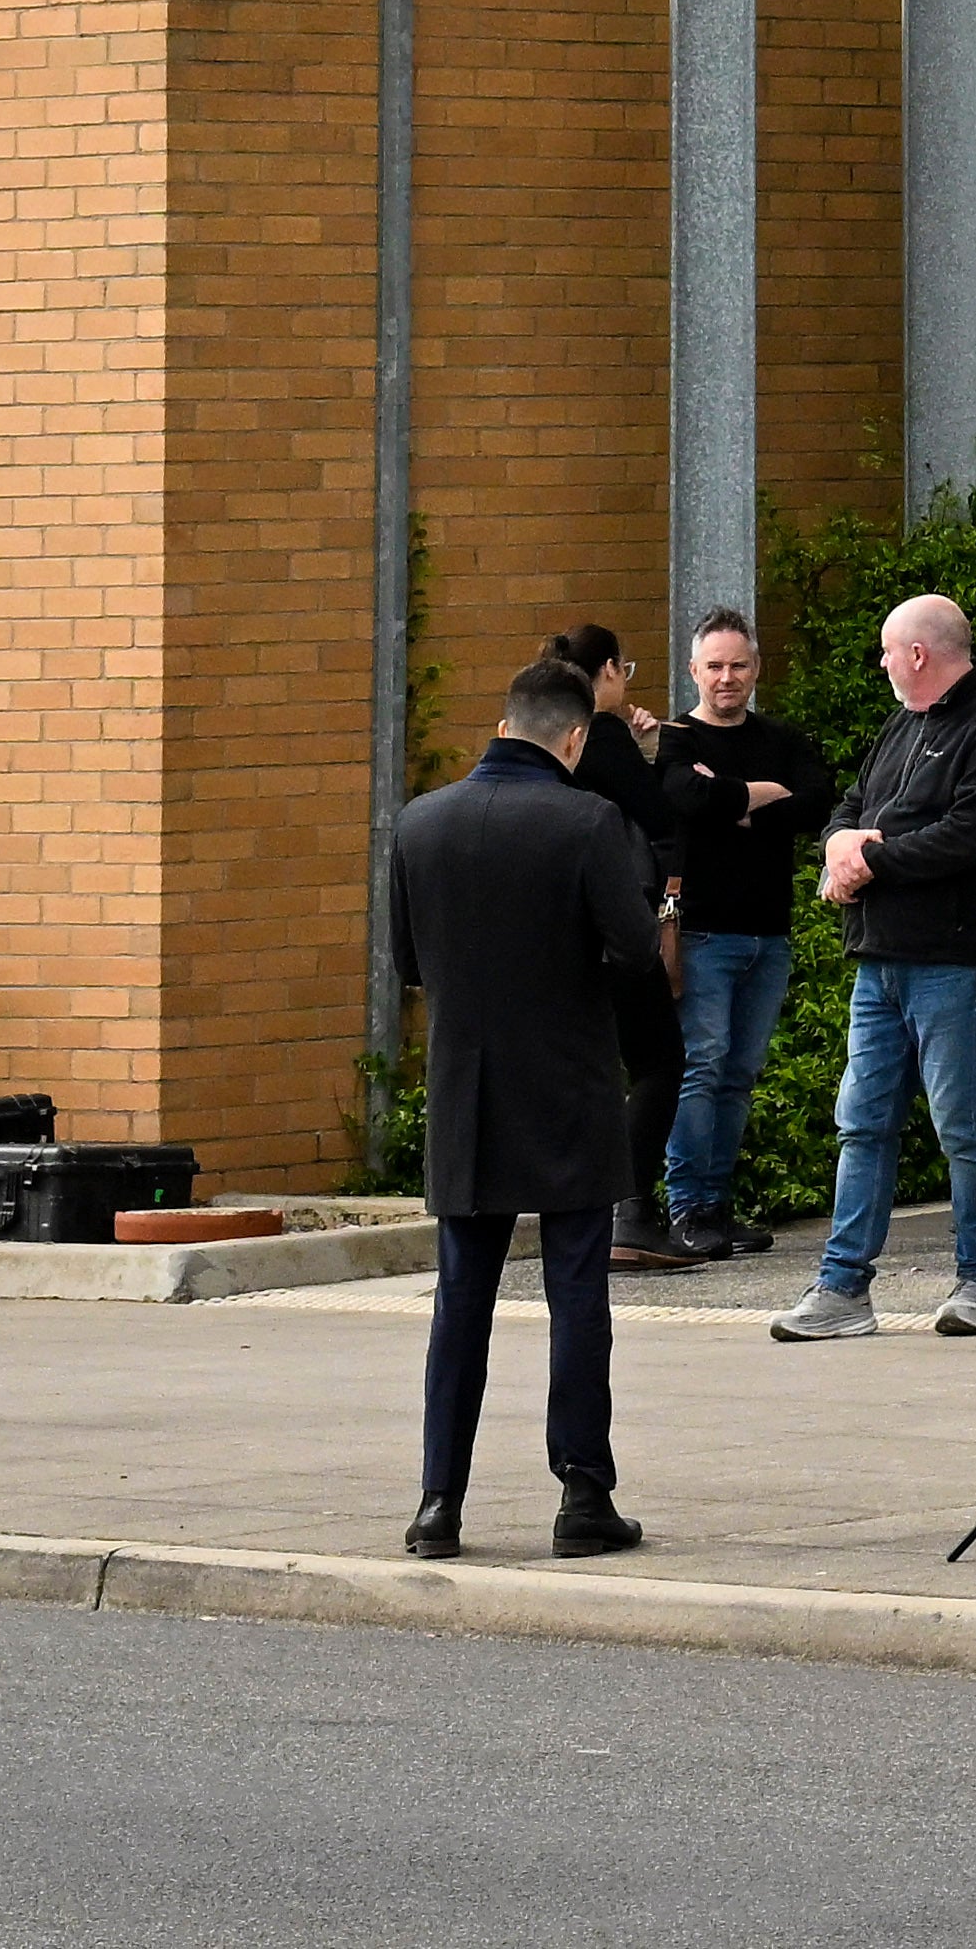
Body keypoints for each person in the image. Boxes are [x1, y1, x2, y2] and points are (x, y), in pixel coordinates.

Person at [393, 651, 675, 1560]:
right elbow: (634, 953)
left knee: (460, 1303)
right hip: (568, 1087)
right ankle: (582, 1493)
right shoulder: (587, 820)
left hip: (466, 1095)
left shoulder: (419, 824)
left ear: (504, 720)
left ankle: (439, 1502)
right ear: (575, 735)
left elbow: (407, 963)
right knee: (577, 1293)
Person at [775, 592, 976, 1341]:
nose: (882, 663)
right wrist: (838, 845)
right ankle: (843, 1285)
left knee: (964, 1125)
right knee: (861, 1122)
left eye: (888, 650)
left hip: (954, 958)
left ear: (918, 654)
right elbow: (850, 804)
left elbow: (973, 834)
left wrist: (871, 855)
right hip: (878, 958)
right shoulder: (901, 723)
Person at [648, 607, 830, 1258]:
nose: (727, 677)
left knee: (739, 1074)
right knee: (701, 1066)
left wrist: (730, 798)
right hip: (701, 932)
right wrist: (761, 796)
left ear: (757, 669)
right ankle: (687, 1206)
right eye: (715, 665)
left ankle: (718, 1204)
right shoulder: (677, 738)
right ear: (693, 669)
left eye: (740, 665)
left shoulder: (780, 735)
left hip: (769, 933)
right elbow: (683, 799)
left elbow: (818, 801)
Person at [545, 626, 690, 1266]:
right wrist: (645, 750)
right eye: (624, 668)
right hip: (617, 928)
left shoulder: (547, 739)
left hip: (557, 934)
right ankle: (630, 1209)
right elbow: (658, 813)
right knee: (660, 1060)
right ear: (607, 671)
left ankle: (586, 1210)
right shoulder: (602, 734)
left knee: (590, 1072)